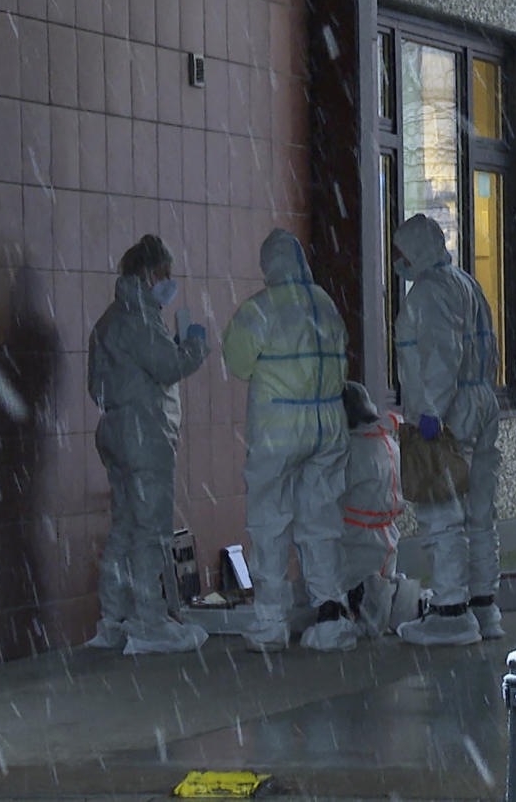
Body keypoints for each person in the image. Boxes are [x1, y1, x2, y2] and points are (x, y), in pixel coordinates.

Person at [222, 228, 359, 653]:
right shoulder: (325, 303)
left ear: (268, 267)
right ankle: (332, 615)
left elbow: (238, 362)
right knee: (321, 523)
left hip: (279, 428)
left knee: (270, 522)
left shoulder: (260, 310)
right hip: (329, 424)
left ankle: (271, 621)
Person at [86, 234, 211, 654]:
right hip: (145, 433)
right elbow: (166, 366)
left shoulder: (107, 320)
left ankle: (112, 620)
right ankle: (150, 621)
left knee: (123, 526)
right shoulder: (139, 315)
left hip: (114, 432)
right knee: (152, 529)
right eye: (165, 274)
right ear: (146, 273)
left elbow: (97, 386)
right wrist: (193, 344)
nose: (168, 283)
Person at [391, 213, 504, 646]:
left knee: (442, 510)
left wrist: (431, 412)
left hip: (447, 412)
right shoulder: (465, 283)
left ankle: (450, 611)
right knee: (479, 511)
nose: (398, 262)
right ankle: (483, 605)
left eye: (401, 253)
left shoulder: (428, 293)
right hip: (481, 402)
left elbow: (441, 354)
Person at [339, 381, 402, 638]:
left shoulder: (352, 448)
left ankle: (356, 612)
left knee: (358, 582)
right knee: (380, 580)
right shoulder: (386, 440)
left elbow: (334, 491)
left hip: (355, 534)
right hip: (386, 532)